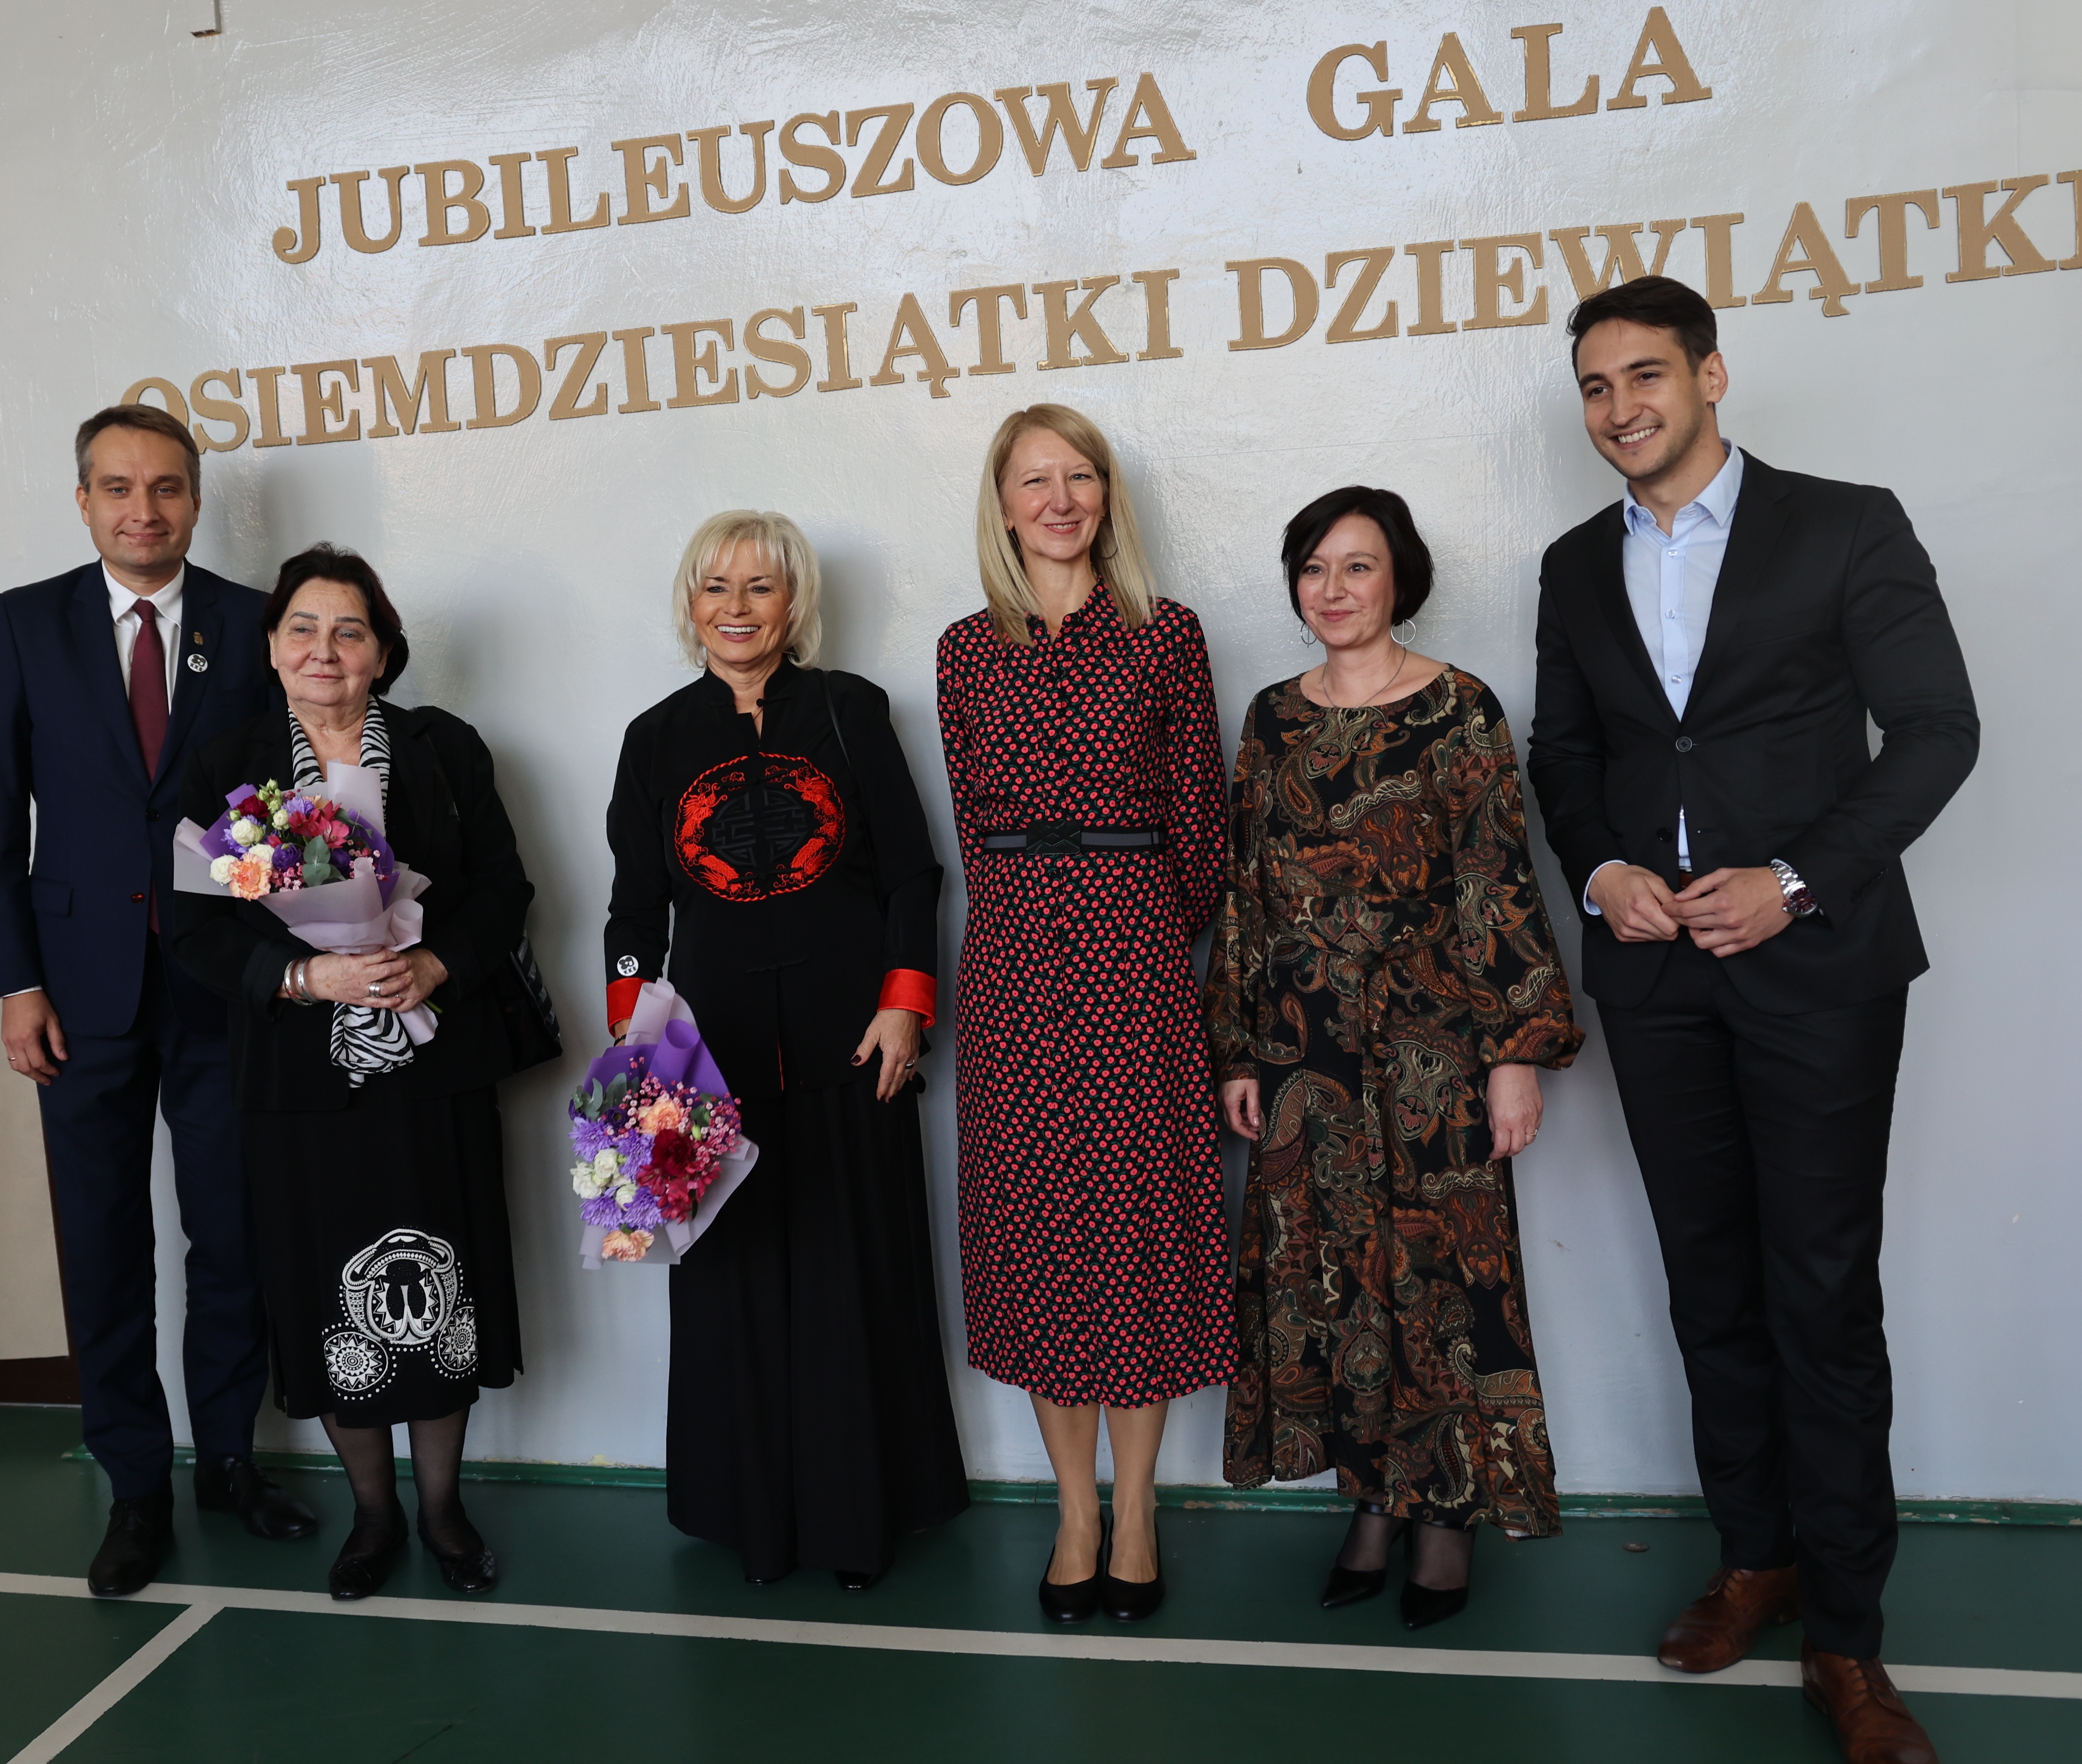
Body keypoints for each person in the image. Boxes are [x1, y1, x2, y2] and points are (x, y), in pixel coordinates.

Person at [1529, 276, 1978, 1764]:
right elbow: (1565, 753)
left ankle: (1846, 1637)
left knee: (1822, 1298)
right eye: (1596, 387)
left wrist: (1794, 882)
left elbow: (1938, 731)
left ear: (1712, 376)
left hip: (1818, 971)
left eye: (1646, 376)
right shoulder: (1574, 566)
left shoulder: (1845, 525)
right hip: (1655, 980)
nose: (1620, 409)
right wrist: (1601, 871)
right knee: (1710, 1288)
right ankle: (1755, 1560)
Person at [1204, 487, 1581, 1631]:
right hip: (1302, 1053)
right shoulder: (1272, 717)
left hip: (1436, 1050)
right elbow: (1246, 891)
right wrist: (1240, 1050)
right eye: (1315, 568)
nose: (1334, 589)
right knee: (1336, 1282)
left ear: (1400, 579)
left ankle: (1447, 1517)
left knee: (1443, 1285)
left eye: (1358, 566)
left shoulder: (1461, 708)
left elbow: (1497, 881)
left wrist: (1514, 1056)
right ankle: (1371, 1501)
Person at [0, 404, 314, 1598]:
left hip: (225, 987)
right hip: (78, 993)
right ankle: (133, 1485)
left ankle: (230, 1461)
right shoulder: (27, 626)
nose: (143, 509)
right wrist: (16, 982)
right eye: (117, 488)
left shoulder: (250, 623)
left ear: (195, 500)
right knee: (105, 1246)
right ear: (83, 502)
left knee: (232, 1237)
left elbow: (285, 806)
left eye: (165, 487)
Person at [604, 509, 968, 1589]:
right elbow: (634, 910)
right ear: (690, 606)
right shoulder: (654, 737)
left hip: (856, 1047)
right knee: (736, 1287)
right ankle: (753, 1520)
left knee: (857, 1285)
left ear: (794, 604)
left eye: (760, 587)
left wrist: (906, 1004)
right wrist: (636, 1038)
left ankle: (862, 1521)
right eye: (716, 587)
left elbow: (913, 874)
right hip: (707, 1064)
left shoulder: (852, 710)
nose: (737, 608)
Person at [173, 543, 534, 1601]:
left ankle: (443, 1510)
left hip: (433, 1071)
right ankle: (373, 1516)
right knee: (326, 1289)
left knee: (443, 1282)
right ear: (272, 647)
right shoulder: (230, 763)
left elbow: (505, 890)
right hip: (300, 1084)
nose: (324, 650)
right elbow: (194, 929)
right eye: (303, 628)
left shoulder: (443, 749)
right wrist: (305, 975)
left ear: (382, 652)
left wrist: (436, 964)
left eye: (349, 631)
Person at [935, 404, 1233, 1625]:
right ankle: (1073, 1514)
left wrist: (1140, 933)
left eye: (1080, 477)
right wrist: (1029, 922)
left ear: (1106, 496)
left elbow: (1203, 823)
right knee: (1037, 1236)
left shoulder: (1167, 634)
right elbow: (972, 823)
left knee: (1135, 1230)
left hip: (1134, 958)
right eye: (1034, 481)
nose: (1059, 500)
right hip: (1011, 968)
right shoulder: (966, 650)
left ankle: (1140, 1510)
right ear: (1004, 506)